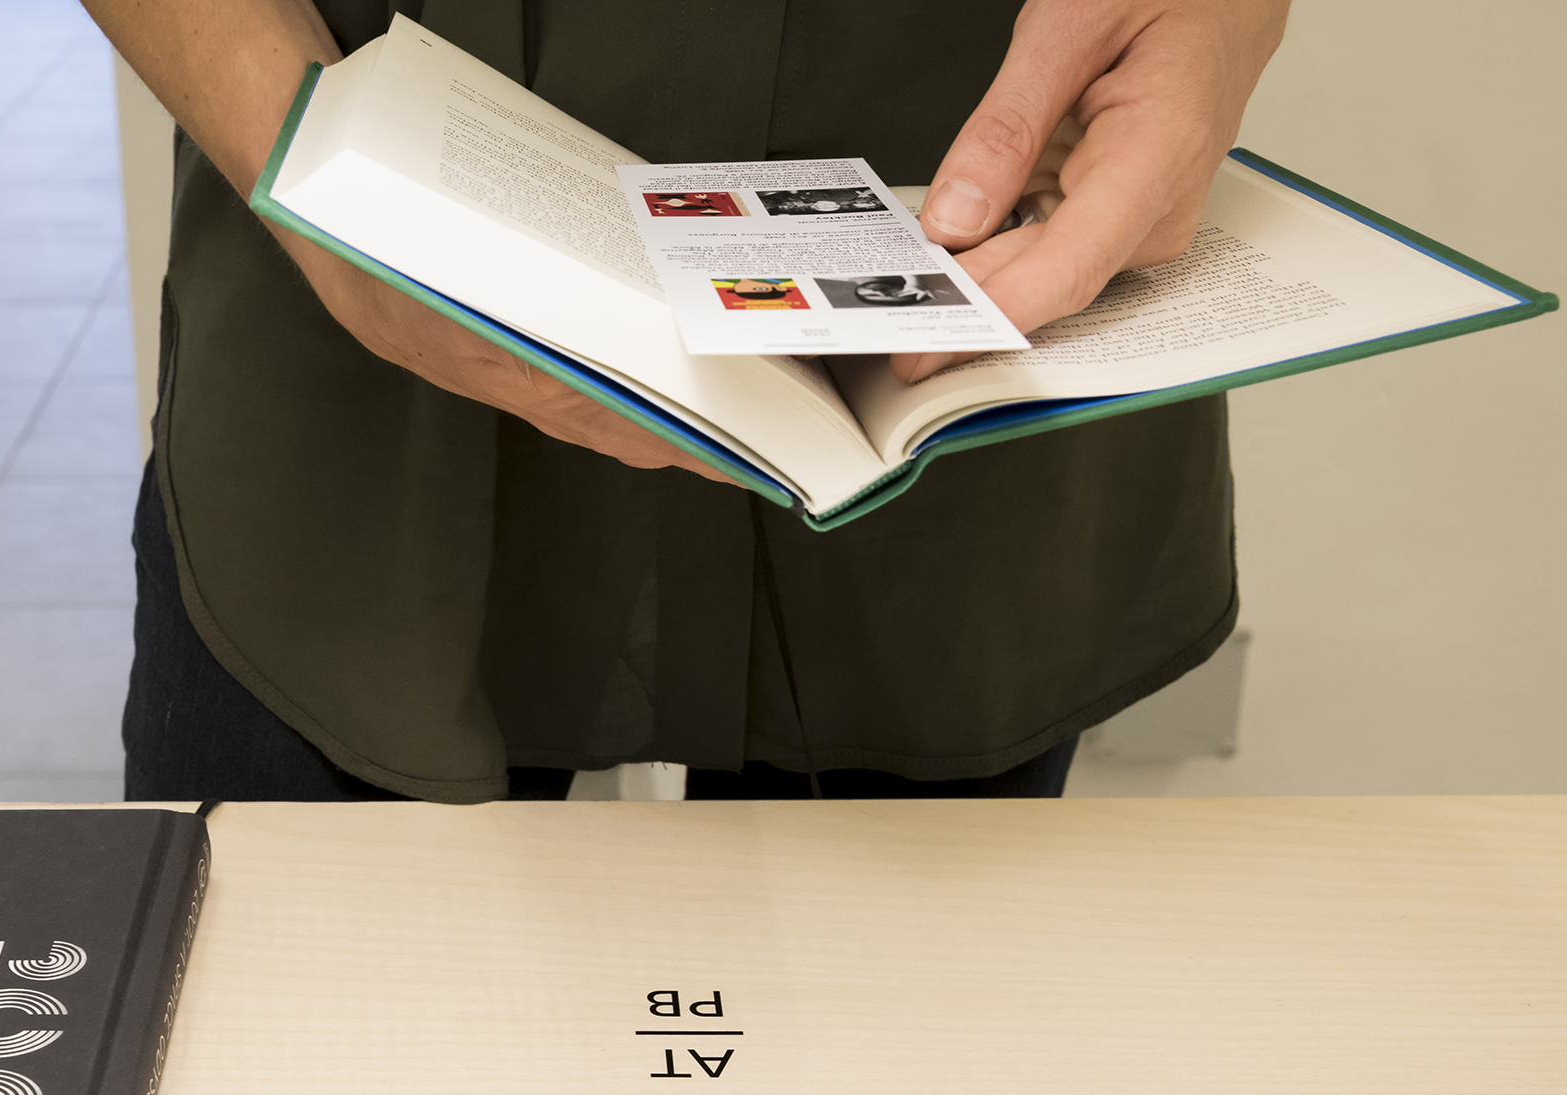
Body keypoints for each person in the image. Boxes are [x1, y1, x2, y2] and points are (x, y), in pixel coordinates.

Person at [85, 0, 1289, 803]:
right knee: (303, 1072)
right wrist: (296, 155)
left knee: (894, 1083)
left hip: (971, 296)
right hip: (363, 289)